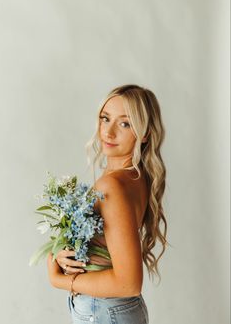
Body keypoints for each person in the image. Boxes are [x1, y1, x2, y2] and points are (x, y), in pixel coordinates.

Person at [47, 84, 168, 324]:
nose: (108, 132)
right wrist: (61, 255)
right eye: (105, 118)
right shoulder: (134, 178)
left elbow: (128, 283)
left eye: (125, 123)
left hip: (104, 309)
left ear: (144, 133)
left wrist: (60, 279)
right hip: (110, 310)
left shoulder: (112, 186)